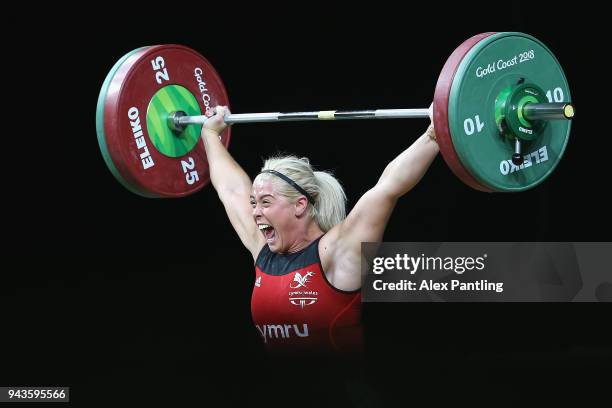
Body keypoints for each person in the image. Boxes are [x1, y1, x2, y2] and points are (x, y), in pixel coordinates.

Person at [201, 105, 438, 354]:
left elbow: (387, 188)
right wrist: (210, 135)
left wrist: (434, 133)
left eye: (266, 202)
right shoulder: (263, 251)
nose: (255, 212)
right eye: (254, 203)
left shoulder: (335, 252)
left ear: (300, 205)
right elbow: (231, 190)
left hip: (341, 389)